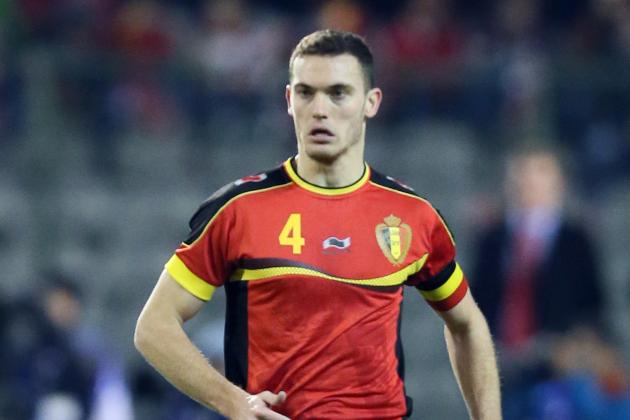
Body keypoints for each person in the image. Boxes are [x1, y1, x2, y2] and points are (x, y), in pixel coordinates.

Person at [135, 29, 501, 419]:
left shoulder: (412, 215)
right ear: (289, 100)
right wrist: (233, 402)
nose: (320, 109)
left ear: (371, 102)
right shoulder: (239, 209)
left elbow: (467, 324)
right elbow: (153, 327)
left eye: (338, 93)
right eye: (306, 93)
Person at [471, 148, 605, 419]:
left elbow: (593, 304)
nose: (529, 181)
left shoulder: (576, 239)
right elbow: (477, 301)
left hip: (559, 368)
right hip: (502, 367)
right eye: (522, 173)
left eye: (540, 172)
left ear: (559, 182)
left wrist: (572, 344)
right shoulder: (491, 239)